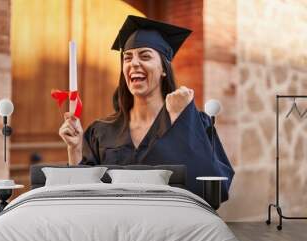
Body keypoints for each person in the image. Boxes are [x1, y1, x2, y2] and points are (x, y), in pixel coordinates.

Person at [58, 15, 234, 201]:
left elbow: (216, 191)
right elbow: (83, 195)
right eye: (127, 58)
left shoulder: (195, 121)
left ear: (164, 69)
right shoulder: (100, 131)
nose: (133, 63)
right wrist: (75, 149)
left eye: (145, 56)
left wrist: (181, 121)